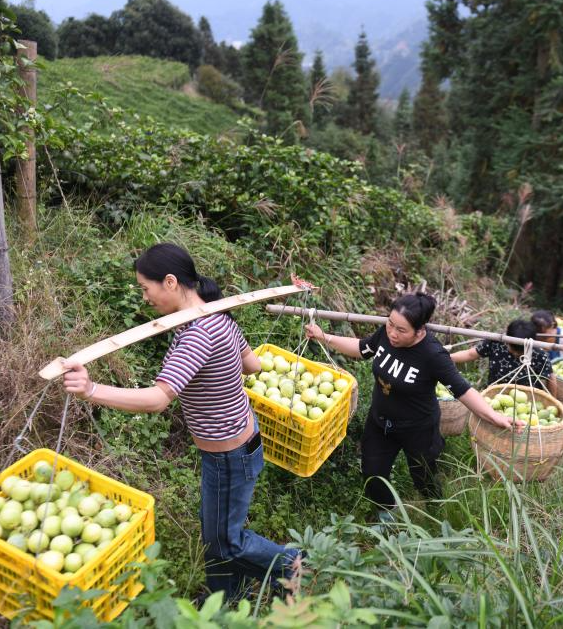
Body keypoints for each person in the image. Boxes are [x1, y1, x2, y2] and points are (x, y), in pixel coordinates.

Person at [61, 242, 300, 600]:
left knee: (226, 543)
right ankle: (225, 601)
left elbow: (158, 399)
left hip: (229, 456)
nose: (144, 297)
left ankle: (298, 566)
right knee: (216, 534)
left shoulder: (198, 333)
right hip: (240, 441)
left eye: (145, 288)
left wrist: (91, 389)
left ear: (170, 282)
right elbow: (254, 366)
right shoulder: (218, 316)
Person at [305, 293, 522, 520]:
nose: (392, 333)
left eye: (401, 330)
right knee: (372, 473)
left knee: (423, 476)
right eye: (390, 324)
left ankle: (437, 514)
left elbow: (462, 389)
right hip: (380, 423)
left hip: (417, 429)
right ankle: (386, 516)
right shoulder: (386, 334)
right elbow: (361, 348)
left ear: (420, 331)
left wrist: (494, 417)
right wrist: (324, 337)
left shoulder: (432, 355)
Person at [450, 319, 552, 387]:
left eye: (521, 351)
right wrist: (447, 357)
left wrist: (553, 401)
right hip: (495, 396)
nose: (516, 354)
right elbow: (470, 354)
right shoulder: (496, 343)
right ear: (507, 340)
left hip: (528, 401)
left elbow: (550, 378)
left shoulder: (539, 355)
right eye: (513, 349)